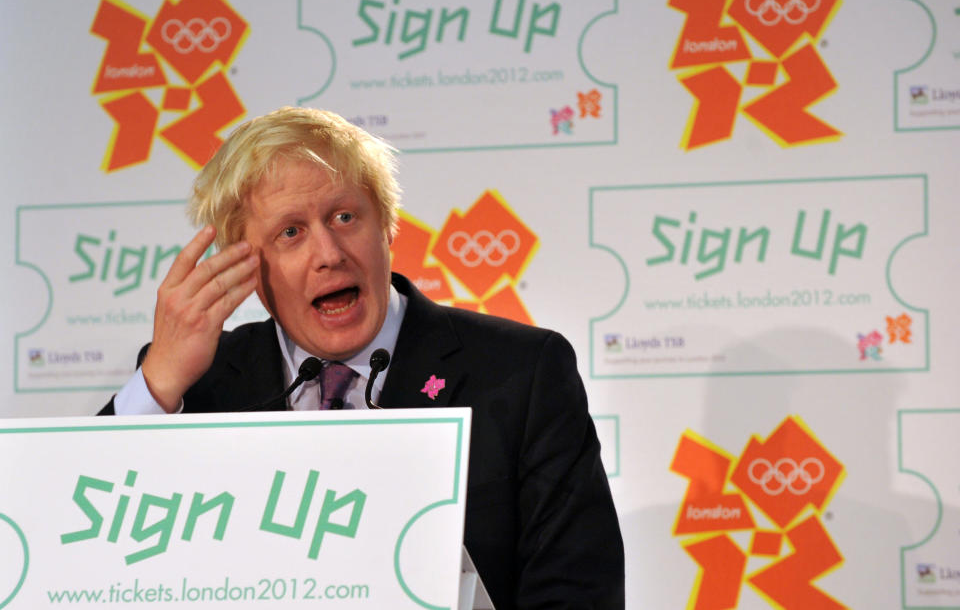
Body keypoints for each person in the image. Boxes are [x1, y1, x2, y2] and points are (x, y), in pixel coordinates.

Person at [100, 107, 624, 609]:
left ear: (387, 227)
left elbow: (578, 592)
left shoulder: (522, 371)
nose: (329, 253)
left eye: (345, 216)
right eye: (290, 232)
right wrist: (159, 383)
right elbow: (89, 550)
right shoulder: (198, 385)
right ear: (243, 266)